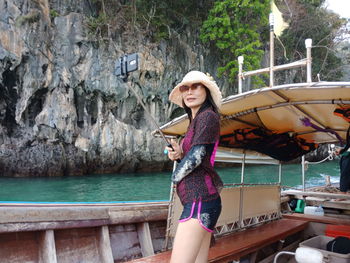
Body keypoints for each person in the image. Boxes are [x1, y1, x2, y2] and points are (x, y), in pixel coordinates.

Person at [165, 70, 223, 263]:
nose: (189, 92)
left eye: (195, 86)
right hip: (205, 200)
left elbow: (197, 156)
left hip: (199, 200)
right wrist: (179, 155)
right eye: (185, 88)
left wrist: (175, 178)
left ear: (206, 90)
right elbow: (196, 155)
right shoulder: (195, 121)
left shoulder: (207, 117)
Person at [335, 126, 350, 199]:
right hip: (346, 155)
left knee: (345, 174)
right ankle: (345, 192)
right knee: (344, 173)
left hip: (348, 156)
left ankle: (343, 193)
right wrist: (342, 151)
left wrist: (342, 151)